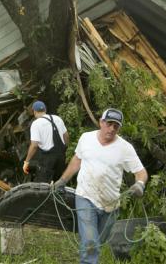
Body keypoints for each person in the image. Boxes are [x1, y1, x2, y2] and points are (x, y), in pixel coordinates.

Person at [53, 108, 148, 264]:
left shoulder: (125, 148)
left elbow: (141, 172)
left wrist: (140, 184)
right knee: (91, 243)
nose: (111, 129)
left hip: (110, 204)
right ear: (101, 122)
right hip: (85, 196)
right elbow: (77, 160)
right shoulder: (86, 138)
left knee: (98, 241)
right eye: (109, 124)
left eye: (116, 126)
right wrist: (62, 180)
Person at [23, 100, 69, 183]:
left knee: (42, 186)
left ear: (34, 111)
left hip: (48, 159)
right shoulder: (58, 119)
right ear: (45, 110)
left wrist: (27, 161)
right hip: (61, 157)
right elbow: (66, 136)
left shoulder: (36, 124)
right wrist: (64, 149)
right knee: (58, 184)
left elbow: (34, 145)